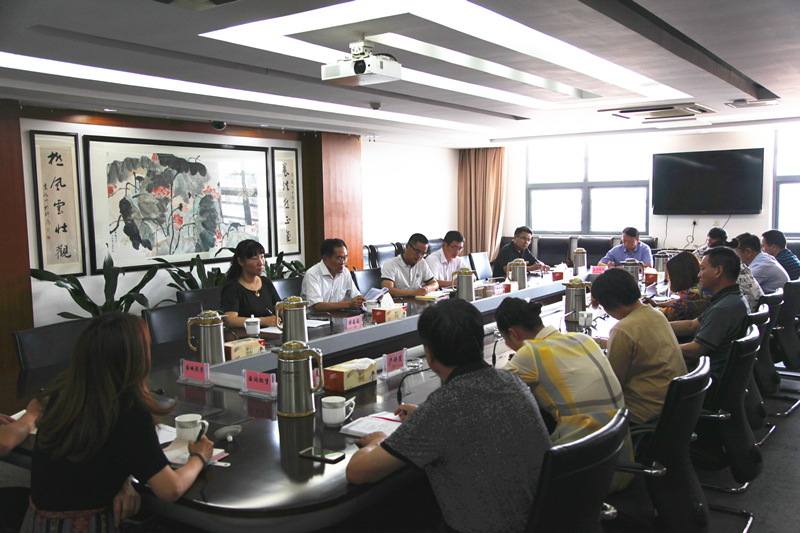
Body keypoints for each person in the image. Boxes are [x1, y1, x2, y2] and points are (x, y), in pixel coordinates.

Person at [346, 299, 550, 533]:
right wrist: (423, 418)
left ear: (429, 354)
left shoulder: (444, 408)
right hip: (541, 521)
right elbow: (472, 419)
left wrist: (378, 441)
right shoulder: (512, 381)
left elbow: (357, 472)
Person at [25, 313, 214, 532]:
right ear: (135, 357)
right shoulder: (126, 409)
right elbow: (170, 489)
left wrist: (123, 480)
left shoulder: (64, 392)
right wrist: (200, 457)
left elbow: (91, 459)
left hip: (37, 524)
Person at [495, 298, 632, 492]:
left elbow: (491, 392)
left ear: (513, 333)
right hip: (620, 464)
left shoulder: (531, 351)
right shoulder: (582, 339)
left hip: (586, 477)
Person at [591, 269, 686, 425]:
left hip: (643, 413)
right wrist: (600, 342)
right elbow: (642, 346)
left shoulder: (623, 329)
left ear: (608, 303)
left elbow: (613, 383)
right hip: (672, 407)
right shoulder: (656, 315)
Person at [670, 247, 750, 382]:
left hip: (702, 377)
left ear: (718, 271)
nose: (699, 275)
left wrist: (660, 348)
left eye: (702, 269)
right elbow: (692, 325)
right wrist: (658, 326)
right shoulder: (731, 298)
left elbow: (696, 350)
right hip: (706, 370)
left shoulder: (724, 309)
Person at [221, 239, 281, 328]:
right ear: (240, 261)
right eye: (255, 259)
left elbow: (279, 307)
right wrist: (262, 321)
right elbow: (230, 320)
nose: (261, 263)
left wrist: (286, 312)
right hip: (247, 334)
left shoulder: (265, 282)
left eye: (262, 257)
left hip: (271, 332)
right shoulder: (233, 288)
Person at [301, 238, 365, 311]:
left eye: (345, 258)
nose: (343, 262)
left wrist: (363, 300)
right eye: (339, 258)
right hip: (316, 317)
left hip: (339, 315)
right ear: (326, 258)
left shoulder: (345, 272)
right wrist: (348, 304)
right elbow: (317, 306)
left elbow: (355, 296)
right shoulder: (312, 274)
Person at [644, 252, 711, 321]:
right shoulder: (699, 287)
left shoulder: (695, 295)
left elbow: (662, 315)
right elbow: (679, 302)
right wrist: (657, 304)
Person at [380, 233, 439, 298]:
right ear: (407, 247)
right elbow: (387, 290)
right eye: (417, 252)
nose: (419, 256)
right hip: (399, 302)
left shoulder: (422, 262)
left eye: (423, 253)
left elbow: (435, 283)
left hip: (417, 301)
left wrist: (426, 289)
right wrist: (413, 293)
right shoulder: (391, 264)